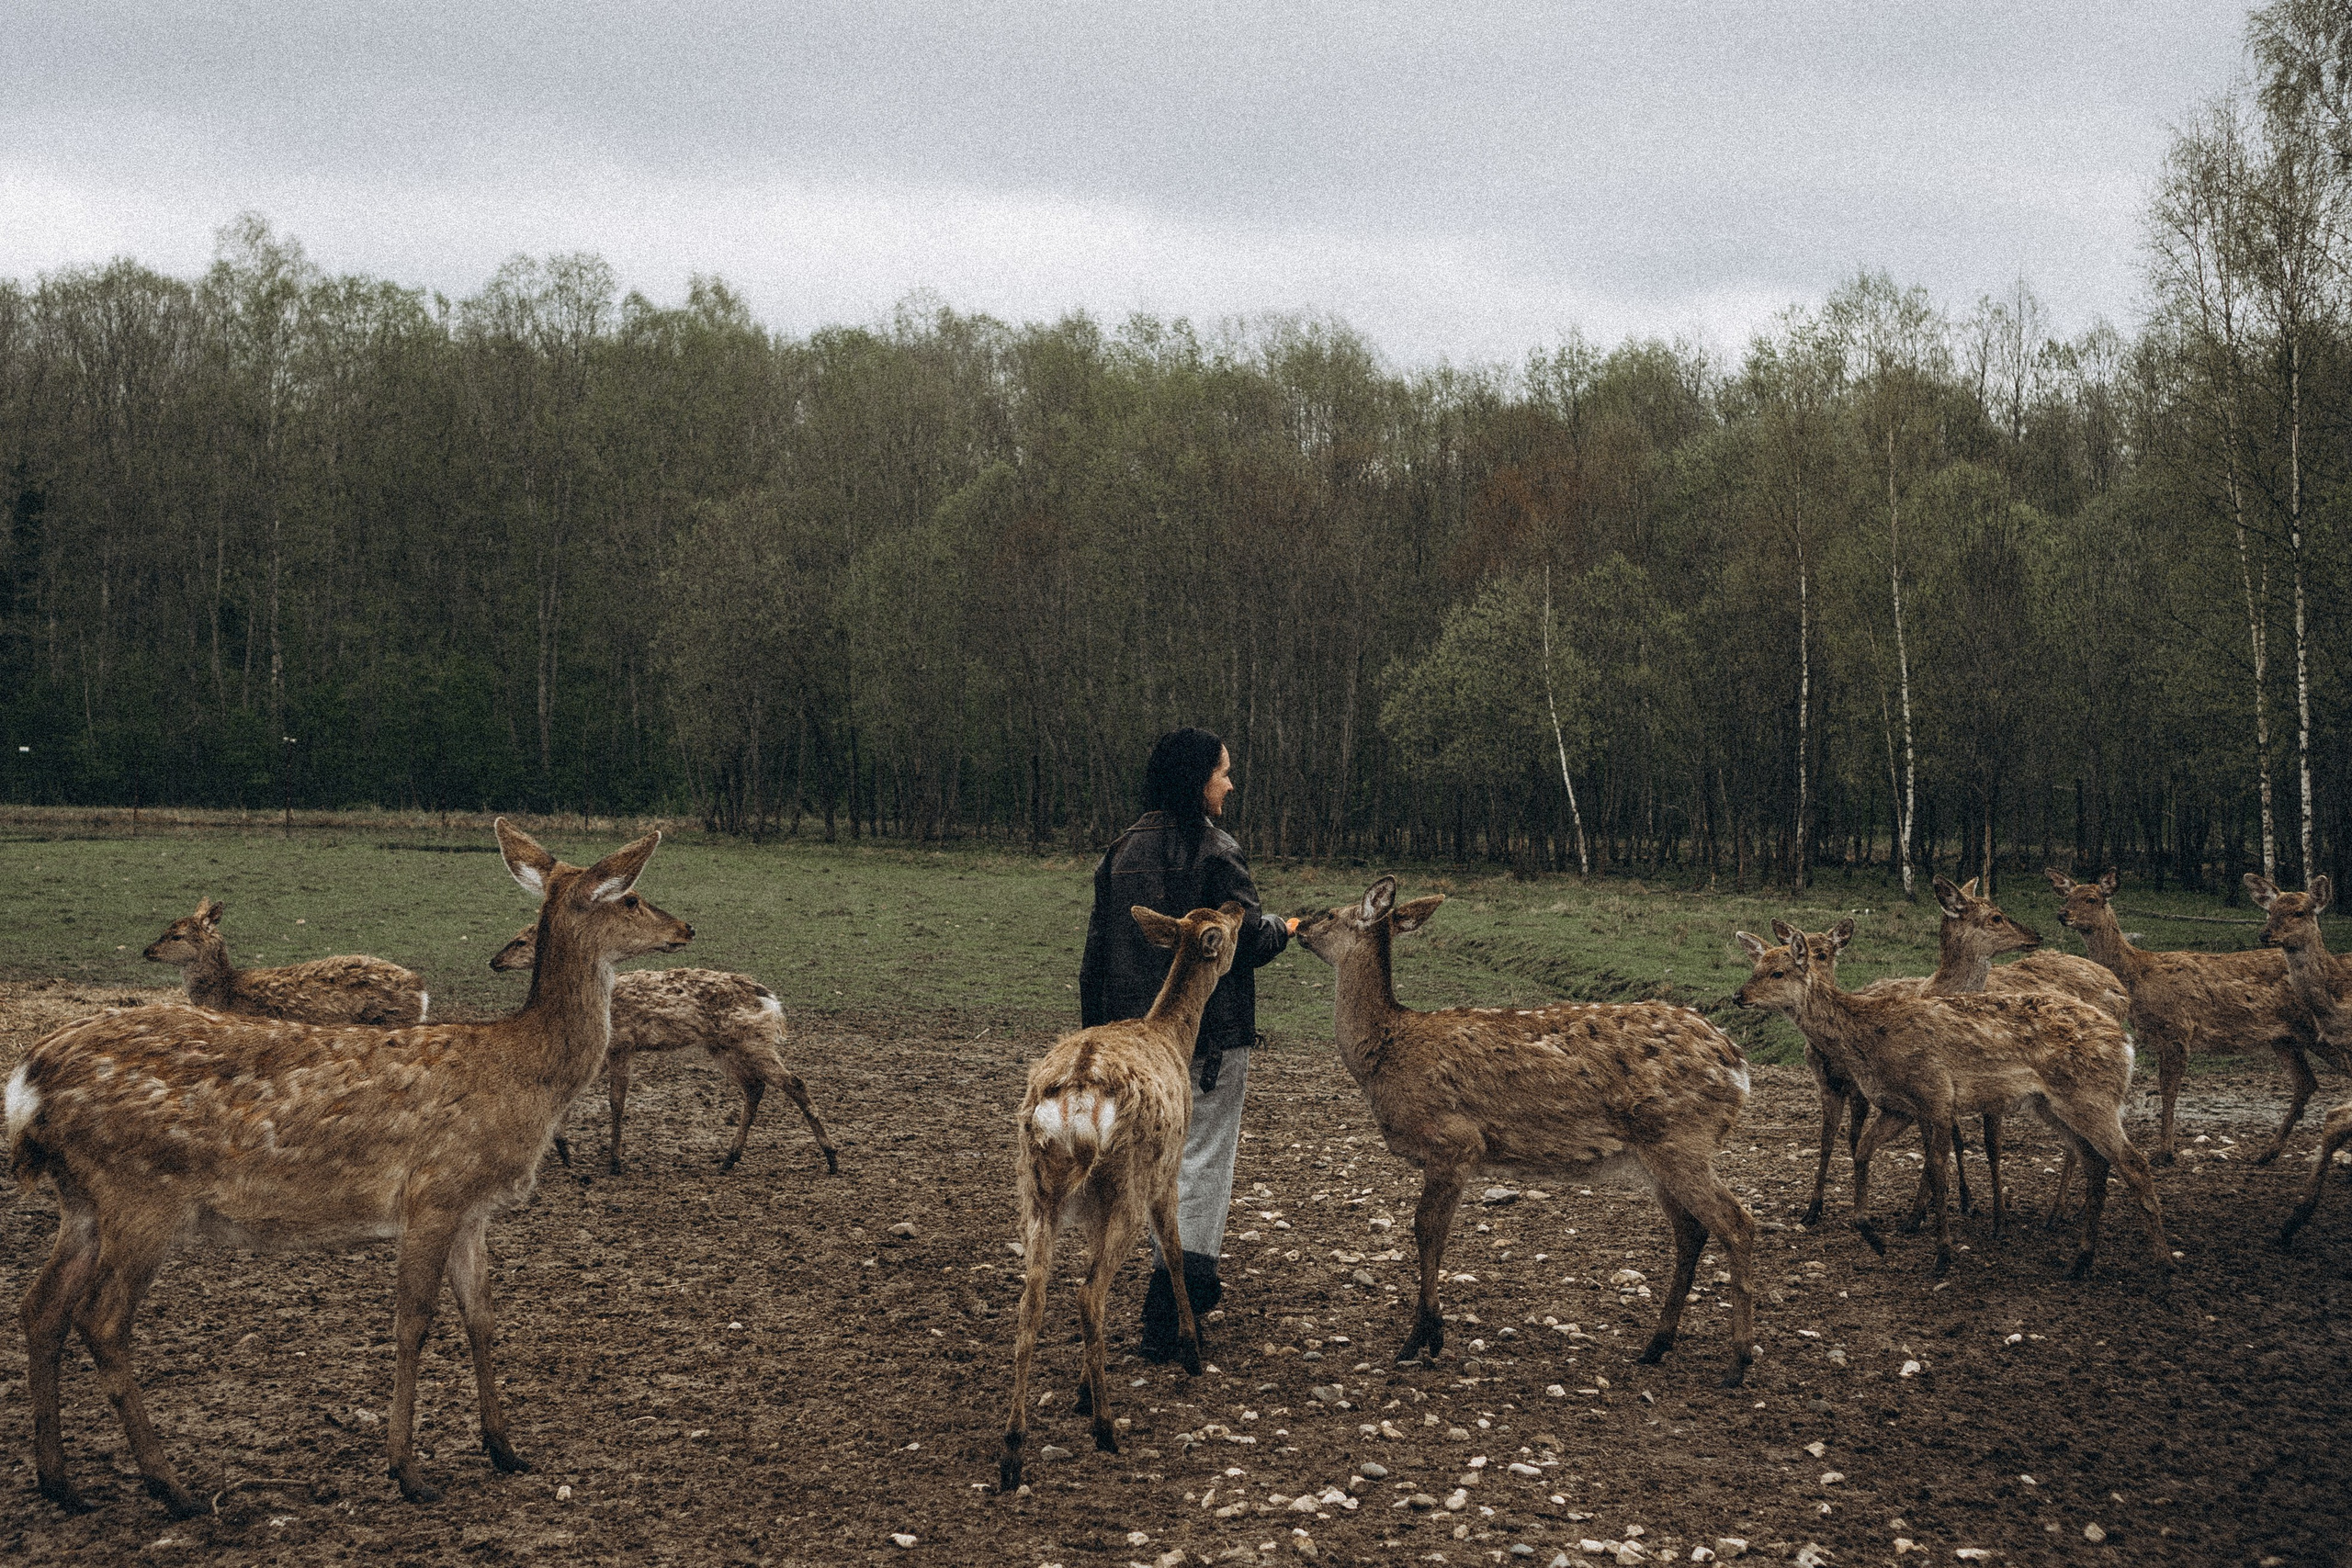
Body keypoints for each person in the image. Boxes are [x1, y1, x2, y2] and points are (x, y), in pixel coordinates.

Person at [1079, 726, 1295, 1362]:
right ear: (1199, 779)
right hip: (1207, 1040)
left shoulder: (1121, 851)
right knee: (1199, 1157)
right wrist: (1285, 928)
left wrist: (1094, 1045)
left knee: (1142, 1163)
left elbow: (1094, 958)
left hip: (1125, 1047)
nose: (1230, 782)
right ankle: (1177, 1298)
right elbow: (1246, 938)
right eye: (1223, 772)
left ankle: (1168, 1293)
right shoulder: (1218, 850)